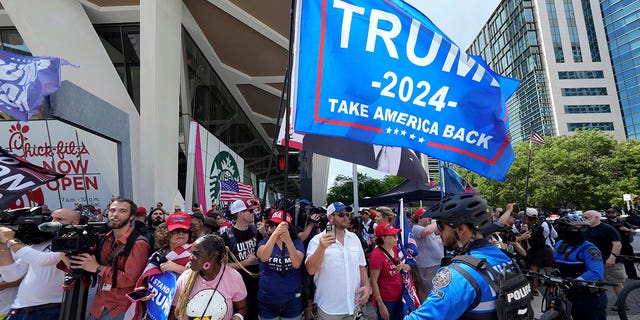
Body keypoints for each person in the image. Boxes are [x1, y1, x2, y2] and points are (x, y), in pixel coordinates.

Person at [404, 193, 512, 320]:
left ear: (461, 229)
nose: (438, 232)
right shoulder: (504, 257)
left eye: (440, 226)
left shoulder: (459, 275)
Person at [66, 197, 151, 320]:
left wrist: (97, 268)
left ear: (132, 216)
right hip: (99, 304)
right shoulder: (106, 239)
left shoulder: (139, 244)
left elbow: (129, 280)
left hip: (121, 307)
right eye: (112, 210)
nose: (115, 215)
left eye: (122, 211)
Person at [0, 208, 81, 320]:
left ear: (74, 222)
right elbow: (12, 276)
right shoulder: (39, 242)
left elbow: (42, 260)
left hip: (51, 308)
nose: (53, 222)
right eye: (52, 218)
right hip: (21, 307)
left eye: (59, 219)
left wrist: (9, 241)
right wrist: (3, 247)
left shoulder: (75, 241)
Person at [126, 212, 200, 319]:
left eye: (185, 230)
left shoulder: (197, 253)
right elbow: (147, 279)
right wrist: (144, 289)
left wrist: (176, 268)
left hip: (183, 311)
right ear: (166, 234)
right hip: (158, 310)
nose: (181, 233)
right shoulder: (157, 255)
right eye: (176, 231)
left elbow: (203, 277)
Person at [305, 201, 370, 319]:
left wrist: (366, 285)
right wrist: (321, 248)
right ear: (330, 217)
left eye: (347, 214)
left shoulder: (354, 238)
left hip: (353, 305)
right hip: (329, 308)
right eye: (341, 215)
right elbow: (310, 270)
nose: (346, 217)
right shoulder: (317, 240)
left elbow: (361, 265)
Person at [171, 234, 247, 320]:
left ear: (214, 255)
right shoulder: (185, 278)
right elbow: (174, 311)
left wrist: (237, 317)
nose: (190, 258)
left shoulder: (233, 277)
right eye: (191, 253)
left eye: (196, 253)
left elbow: (241, 307)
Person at [553, 215, 606, 320]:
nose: (579, 231)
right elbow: (556, 263)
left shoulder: (589, 249)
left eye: (582, 228)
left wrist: (576, 281)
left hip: (589, 296)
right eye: (574, 228)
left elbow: (596, 273)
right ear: (564, 231)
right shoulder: (560, 244)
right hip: (569, 293)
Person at [256, 210, 305, 320]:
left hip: (291, 300)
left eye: (277, 225)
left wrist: (288, 241)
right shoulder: (264, 242)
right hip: (267, 300)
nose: (274, 228)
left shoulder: (297, 243)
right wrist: (275, 235)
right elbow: (263, 257)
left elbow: (296, 263)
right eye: (272, 225)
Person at [222, 198, 261, 320]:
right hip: (238, 287)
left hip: (258, 283)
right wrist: (246, 263)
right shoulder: (226, 236)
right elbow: (222, 266)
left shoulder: (255, 230)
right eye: (250, 211)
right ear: (240, 213)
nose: (253, 213)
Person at [583, 210, 625, 309]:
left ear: (596, 217)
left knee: (616, 282)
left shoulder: (607, 228)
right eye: (583, 217)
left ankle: (622, 303)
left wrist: (612, 257)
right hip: (594, 262)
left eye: (586, 217)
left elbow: (617, 244)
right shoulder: (585, 229)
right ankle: (596, 303)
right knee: (595, 282)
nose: (584, 219)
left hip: (609, 261)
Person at [369, 223, 409, 320]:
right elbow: (373, 281)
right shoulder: (376, 255)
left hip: (400, 296)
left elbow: (408, 268)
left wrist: (403, 266)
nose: (396, 238)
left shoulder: (395, 249)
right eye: (393, 235)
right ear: (383, 238)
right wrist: (381, 305)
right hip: (387, 300)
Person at [411, 208, 443, 302]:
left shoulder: (427, 227)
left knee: (430, 288)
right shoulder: (416, 228)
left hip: (433, 264)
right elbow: (426, 232)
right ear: (420, 218)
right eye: (427, 216)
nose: (430, 218)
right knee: (426, 290)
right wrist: (438, 221)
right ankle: (425, 307)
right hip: (427, 265)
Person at [603, 208, 638, 280]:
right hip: (613, 245)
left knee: (629, 259)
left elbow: (631, 228)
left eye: (613, 212)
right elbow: (620, 227)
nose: (611, 214)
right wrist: (627, 230)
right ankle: (611, 278)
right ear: (607, 214)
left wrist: (631, 230)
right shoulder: (605, 222)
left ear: (616, 213)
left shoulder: (622, 222)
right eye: (609, 212)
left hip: (625, 243)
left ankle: (632, 276)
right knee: (614, 262)